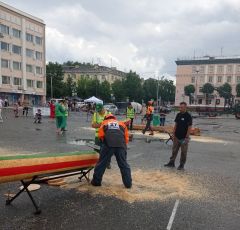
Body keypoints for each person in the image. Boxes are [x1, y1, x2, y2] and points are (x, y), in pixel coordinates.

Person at [91, 114, 132, 188]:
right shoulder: (121, 123)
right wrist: (122, 146)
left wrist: (105, 145)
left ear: (105, 118)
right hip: (121, 144)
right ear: (114, 118)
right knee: (123, 164)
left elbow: (100, 136)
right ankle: (128, 184)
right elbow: (126, 137)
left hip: (108, 145)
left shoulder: (104, 123)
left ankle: (96, 182)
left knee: (101, 163)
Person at [164, 102, 192, 170]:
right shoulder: (178, 115)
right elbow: (176, 124)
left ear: (185, 108)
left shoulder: (188, 116)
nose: (180, 108)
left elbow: (189, 127)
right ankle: (171, 163)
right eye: (180, 107)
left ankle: (181, 165)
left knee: (183, 152)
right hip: (176, 136)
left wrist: (187, 137)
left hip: (184, 137)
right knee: (174, 150)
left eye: (181, 107)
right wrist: (173, 134)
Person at [92, 103, 111, 168]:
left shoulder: (109, 114)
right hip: (97, 136)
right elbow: (93, 125)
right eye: (98, 110)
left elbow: (111, 124)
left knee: (107, 150)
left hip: (106, 136)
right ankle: (97, 163)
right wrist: (103, 124)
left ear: (103, 108)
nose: (99, 112)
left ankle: (107, 163)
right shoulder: (95, 114)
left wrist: (99, 124)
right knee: (96, 150)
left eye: (100, 110)